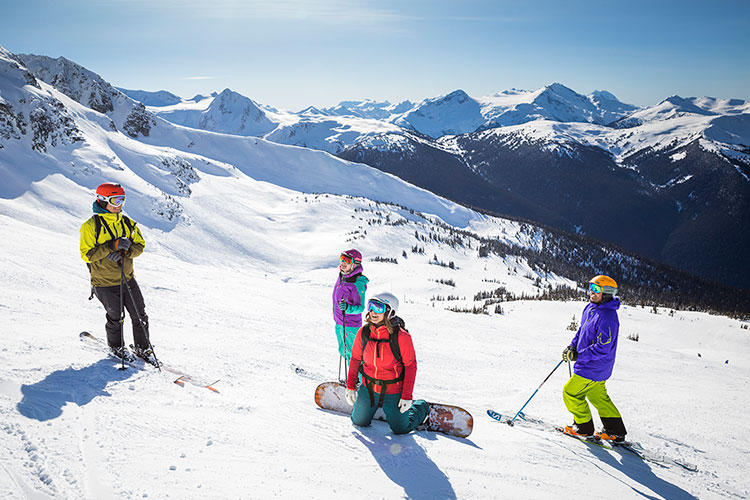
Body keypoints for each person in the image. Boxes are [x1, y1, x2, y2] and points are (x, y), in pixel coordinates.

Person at [79, 182, 152, 361]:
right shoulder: (90, 226)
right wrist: (111, 246)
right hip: (104, 282)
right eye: (115, 200)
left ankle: (143, 349)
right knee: (116, 316)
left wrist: (126, 250)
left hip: (127, 278)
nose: (119, 204)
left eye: (122, 200)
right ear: (103, 201)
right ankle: (117, 348)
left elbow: (140, 246)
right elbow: (87, 254)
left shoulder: (127, 223)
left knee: (139, 315)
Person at [345, 292, 430, 435]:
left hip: (393, 390)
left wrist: (407, 396)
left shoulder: (402, 337)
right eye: (370, 306)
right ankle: (372, 407)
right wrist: (350, 386)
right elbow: (355, 359)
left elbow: (410, 366)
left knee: (401, 429)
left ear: (391, 312)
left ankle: (422, 407)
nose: (372, 312)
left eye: (378, 307)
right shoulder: (364, 332)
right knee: (358, 421)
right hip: (369, 388)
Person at [561, 275, 627, 442]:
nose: (592, 292)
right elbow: (581, 331)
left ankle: (583, 428)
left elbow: (602, 347)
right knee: (597, 396)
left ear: (607, 293)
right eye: (591, 287)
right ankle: (615, 430)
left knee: (570, 393)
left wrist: (579, 356)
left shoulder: (608, 316)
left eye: (597, 289)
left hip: (593, 366)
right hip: (593, 366)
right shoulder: (590, 308)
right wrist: (572, 347)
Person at [332, 249, 369, 366]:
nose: (342, 263)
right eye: (342, 258)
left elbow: (361, 307)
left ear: (355, 264)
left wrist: (348, 308)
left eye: (347, 260)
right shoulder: (343, 276)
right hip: (339, 322)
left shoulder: (357, 282)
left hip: (350, 325)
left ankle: (361, 381)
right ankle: (352, 380)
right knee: (344, 352)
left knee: (355, 355)